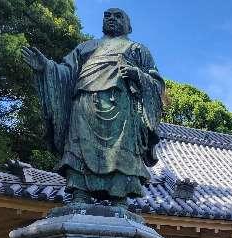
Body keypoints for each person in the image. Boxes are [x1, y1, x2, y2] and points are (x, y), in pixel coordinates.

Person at [22, 8, 164, 205]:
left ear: (128, 26)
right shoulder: (86, 47)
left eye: (118, 16)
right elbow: (65, 72)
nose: (112, 19)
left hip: (121, 108)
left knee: (121, 153)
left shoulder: (137, 49)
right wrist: (46, 66)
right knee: (78, 149)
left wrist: (137, 75)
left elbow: (156, 83)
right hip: (83, 105)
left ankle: (119, 197)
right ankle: (80, 193)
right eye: (107, 15)